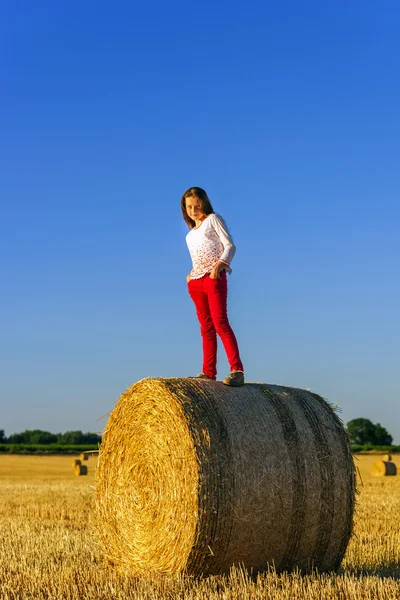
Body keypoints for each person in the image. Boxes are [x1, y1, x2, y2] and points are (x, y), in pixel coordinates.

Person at [181, 186, 244, 386]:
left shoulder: (213, 220)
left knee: (220, 323)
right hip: (196, 282)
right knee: (206, 328)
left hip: (213, 277)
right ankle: (208, 372)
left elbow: (230, 246)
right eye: (189, 207)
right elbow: (197, 256)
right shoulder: (189, 235)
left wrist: (220, 266)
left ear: (204, 203)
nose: (193, 210)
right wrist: (190, 276)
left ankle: (237, 370)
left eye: (196, 205)